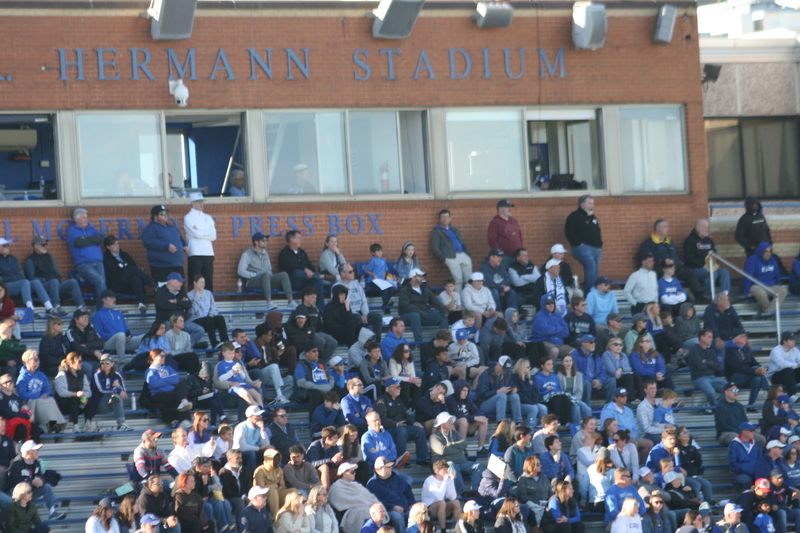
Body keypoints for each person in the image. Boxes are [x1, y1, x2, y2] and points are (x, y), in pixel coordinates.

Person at [24, 234, 84, 317]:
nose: (45, 246)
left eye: (46, 244)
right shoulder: (30, 260)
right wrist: (43, 280)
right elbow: (31, 278)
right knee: (53, 281)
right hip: (42, 287)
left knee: (72, 282)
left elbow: (56, 272)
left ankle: (80, 307)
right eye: (43, 244)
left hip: (55, 284)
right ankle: (56, 307)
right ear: (35, 246)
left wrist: (57, 277)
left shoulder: (50, 256)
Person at [6, 440, 66, 520]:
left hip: (30, 491)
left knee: (46, 486)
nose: (38, 452)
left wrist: (41, 481)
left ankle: (52, 511)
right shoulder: (17, 464)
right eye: (36, 450)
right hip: (15, 493)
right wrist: (31, 482)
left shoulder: (36, 463)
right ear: (28, 452)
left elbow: (42, 476)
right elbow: (15, 482)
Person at [0, 238, 58, 318]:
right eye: (5, 246)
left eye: (8, 245)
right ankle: (30, 309)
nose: (7, 247)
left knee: (36, 282)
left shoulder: (12, 258)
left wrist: (22, 280)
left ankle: (49, 308)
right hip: (6, 286)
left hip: (19, 284)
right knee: (25, 282)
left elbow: (21, 272)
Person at [238, 232, 296, 311]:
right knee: (265, 275)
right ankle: (269, 302)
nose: (266, 242)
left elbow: (269, 269)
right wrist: (254, 274)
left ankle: (290, 301)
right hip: (253, 281)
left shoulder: (266, 254)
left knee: (284, 274)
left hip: (266, 279)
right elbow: (240, 271)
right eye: (263, 240)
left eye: (266, 240)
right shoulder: (247, 254)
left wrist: (269, 276)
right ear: (256, 242)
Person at [430, 412, 482, 496]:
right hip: (447, 465)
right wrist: (458, 449)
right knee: (450, 464)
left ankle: (476, 490)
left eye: (451, 420)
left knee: (478, 466)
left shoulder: (454, 433)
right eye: (448, 421)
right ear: (441, 424)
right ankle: (463, 492)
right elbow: (441, 450)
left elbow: (464, 444)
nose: (451, 422)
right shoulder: (434, 436)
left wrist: (451, 445)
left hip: (462, 463)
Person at [65, 208, 107, 307]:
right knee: (99, 280)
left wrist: (86, 239)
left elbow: (100, 238)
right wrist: (92, 240)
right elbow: (78, 242)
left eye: (86, 218)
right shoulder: (71, 230)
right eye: (83, 218)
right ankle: (103, 309)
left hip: (99, 262)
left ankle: (101, 309)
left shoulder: (91, 229)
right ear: (76, 219)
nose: (86, 220)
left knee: (102, 283)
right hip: (84, 264)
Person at [103, 235, 153, 314]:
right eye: (115, 244)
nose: (118, 246)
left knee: (136, 277)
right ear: (108, 247)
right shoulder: (106, 259)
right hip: (117, 285)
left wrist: (125, 270)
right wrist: (126, 270)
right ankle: (152, 283)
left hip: (129, 284)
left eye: (118, 244)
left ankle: (141, 303)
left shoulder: (125, 255)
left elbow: (134, 268)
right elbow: (113, 274)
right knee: (131, 269)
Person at [333, 263, 383, 343]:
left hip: (361, 313)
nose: (353, 273)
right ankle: (361, 343)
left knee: (377, 317)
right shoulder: (337, 287)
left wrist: (365, 314)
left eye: (353, 271)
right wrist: (359, 315)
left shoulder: (356, 284)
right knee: (357, 318)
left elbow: (364, 301)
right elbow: (340, 305)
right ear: (342, 274)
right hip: (347, 314)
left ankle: (376, 343)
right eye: (350, 272)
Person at [683, 219, 732, 300]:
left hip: (710, 267)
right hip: (696, 269)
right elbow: (689, 258)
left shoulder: (709, 240)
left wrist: (716, 263)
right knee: (713, 274)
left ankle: (725, 295)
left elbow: (714, 254)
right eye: (704, 228)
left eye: (707, 227)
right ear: (697, 228)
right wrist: (702, 265)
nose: (707, 230)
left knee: (724, 272)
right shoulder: (690, 241)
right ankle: (706, 295)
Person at [601, 388, 653, 462]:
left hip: (631, 437)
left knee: (649, 443)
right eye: (622, 396)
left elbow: (634, 427)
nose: (625, 398)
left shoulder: (628, 410)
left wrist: (632, 436)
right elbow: (606, 428)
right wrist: (623, 436)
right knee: (633, 443)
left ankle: (638, 464)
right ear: (615, 398)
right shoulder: (607, 411)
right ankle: (629, 466)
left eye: (626, 396)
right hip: (617, 438)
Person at [398, 268, 449, 343]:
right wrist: (421, 313)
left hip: (424, 313)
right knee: (415, 316)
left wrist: (443, 310)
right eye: (420, 276)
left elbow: (433, 299)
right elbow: (406, 306)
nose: (422, 278)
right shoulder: (404, 289)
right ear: (412, 277)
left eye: (422, 276)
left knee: (442, 316)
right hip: (407, 315)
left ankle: (443, 341)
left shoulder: (424, 287)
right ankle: (419, 343)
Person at [564, 195, 603, 293]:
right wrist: (578, 243)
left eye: (593, 204)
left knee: (595, 270)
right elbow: (569, 232)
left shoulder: (593, 218)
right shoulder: (574, 216)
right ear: (582, 205)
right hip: (582, 248)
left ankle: (593, 293)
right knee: (590, 267)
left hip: (596, 249)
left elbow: (597, 231)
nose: (592, 206)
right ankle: (590, 293)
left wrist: (600, 246)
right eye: (589, 203)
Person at [154, 272, 204, 349]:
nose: (181, 284)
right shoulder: (161, 292)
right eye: (179, 281)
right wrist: (181, 304)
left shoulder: (181, 292)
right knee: (167, 329)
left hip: (182, 321)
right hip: (167, 321)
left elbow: (188, 305)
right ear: (171, 281)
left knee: (199, 330)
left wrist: (176, 301)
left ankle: (185, 347)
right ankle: (173, 350)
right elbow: (164, 306)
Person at [328, 462, 382, 533]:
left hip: (363, 506)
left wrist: (371, 504)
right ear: (344, 473)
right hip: (349, 512)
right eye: (351, 471)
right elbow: (342, 502)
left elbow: (368, 496)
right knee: (367, 512)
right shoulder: (336, 486)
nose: (354, 473)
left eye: (354, 471)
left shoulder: (356, 485)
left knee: (379, 510)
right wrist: (363, 502)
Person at [367, 457, 415, 533]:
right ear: (380, 468)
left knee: (419, 512)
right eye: (388, 467)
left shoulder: (397, 478)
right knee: (397, 517)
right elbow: (376, 502)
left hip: (406, 508)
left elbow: (408, 492)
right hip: (388, 511)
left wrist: (412, 504)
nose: (391, 468)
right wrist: (392, 507)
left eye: (391, 466)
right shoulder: (372, 484)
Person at [279, 231, 325, 310]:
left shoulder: (302, 253)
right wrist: (305, 269)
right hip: (291, 283)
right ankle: (319, 277)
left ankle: (321, 309)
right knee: (298, 273)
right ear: (291, 239)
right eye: (299, 238)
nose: (301, 240)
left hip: (305, 283)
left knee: (318, 282)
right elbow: (291, 267)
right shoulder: (284, 253)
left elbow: (311, 268)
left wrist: (308, 271)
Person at [146, 349, 193, 427]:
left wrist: (162, 380)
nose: (164, 357)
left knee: (182, 384)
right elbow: (155, 384)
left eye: (165, 356)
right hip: (158, 394)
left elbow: (176, 379)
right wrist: (169, 382)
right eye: (162, 356)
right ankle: (184, 420)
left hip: (169, 392)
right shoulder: (150, 371)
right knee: (178, 395)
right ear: (154, 357)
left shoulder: (168, 368)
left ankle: (183, 402)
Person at [142, 205, 188, 283]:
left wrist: (184, 245)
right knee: (163, 290)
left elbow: (180, 238)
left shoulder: (172, 227)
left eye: (166, 213)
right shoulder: (151, 228)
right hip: (161, 266)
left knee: (179, 290)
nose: (166, 215)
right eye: (162, 214)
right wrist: (166, 246)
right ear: (155, 216)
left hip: (177, 265)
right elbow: (149, 241)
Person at [93, 290, 144, 359]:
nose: (114, 299)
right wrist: (118, 336)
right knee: (120, 335)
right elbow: (99, 334)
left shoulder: (118, 313)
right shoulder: (98, 315)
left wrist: (128, 336)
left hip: (124, 341)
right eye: (112, 298)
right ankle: (121, 361)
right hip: (108, 343)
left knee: (146, 337)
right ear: (104, 300)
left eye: (114, 297)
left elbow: (126, 330)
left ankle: (143, 361)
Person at [725, 329, 769, 408]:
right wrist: (755, 370)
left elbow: (753, 362)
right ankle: (768, 389)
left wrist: (761, 369)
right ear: (736, 339)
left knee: (757, 379)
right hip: (734, 377)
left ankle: (750, 405)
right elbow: (738, 368)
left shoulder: (746, 349)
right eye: (743, 336)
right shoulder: (730, 351)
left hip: (747, 375)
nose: (746, 338)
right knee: (756, 371)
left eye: (746, 336)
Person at [431, 209, 473, 291]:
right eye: (442, 217)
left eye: (446, 217)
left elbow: (461, 241)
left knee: (469, 279)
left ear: (450, 218)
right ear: (439, 219)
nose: (444, 219)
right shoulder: (437, 232)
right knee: (458, 280)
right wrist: (444, 259)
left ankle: (468, 299)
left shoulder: (455, 230)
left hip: (463, 254)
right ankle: (458, 301)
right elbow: (435, 247)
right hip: (450, 257)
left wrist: (467, 253)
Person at [54, 351, 95, 433]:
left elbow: (88, 391)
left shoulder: (82, 375)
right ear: (71, 363)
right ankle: (75, 425)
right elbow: (61, 392)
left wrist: (84, 396)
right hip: (64, 404)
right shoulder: (61, 375)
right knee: (74, 399)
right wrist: (76, 394)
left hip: (79, 403)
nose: (81, 364)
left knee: (89, 400)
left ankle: (88, 423)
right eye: (79, 361)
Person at [183, 192, 216, 291]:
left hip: (208, 253)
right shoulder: (188, 217)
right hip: (195, 253)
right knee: (195, 280)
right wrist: (205, 233)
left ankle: (209, 302)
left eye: (202, 201)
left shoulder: (208, 217)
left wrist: (199, 231)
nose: (201, 204)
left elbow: (213, 236)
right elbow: (195, 234)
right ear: (192, 203)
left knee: (208, 280)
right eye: (198, 202)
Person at [744, 242, 788, 315]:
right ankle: (769, 314)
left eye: (769, 251)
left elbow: (777, 274)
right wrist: (746, 291)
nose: (768, 253)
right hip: (757, 285)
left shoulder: (772, 260)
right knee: (761, 294)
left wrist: (778, 284)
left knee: (783, 291)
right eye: (766, 251)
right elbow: (748, 276)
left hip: (771, 285)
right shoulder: (752, 260)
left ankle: (767, 312)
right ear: (761, 251)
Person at [688, 329, 727, 411]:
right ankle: (716, 409)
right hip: (699, 378)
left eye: (712, 337)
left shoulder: (711, 351)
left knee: (732, 389)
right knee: (710, 392)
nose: (711, 339)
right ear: (702, 337)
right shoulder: (694, 349)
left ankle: (713, 406)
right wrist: (711, 363)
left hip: (712, 377)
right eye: (709, 337)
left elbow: (718, 366)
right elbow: (699, 366)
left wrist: (706, 362)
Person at [477, 356, 522, 423]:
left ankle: (518, 423)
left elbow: (511, 386)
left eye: (506, 369)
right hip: (485, 404)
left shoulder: (507, 374)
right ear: (498, 364)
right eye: (503, 368)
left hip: (502, 404)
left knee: (515, 396)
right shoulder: (486, 375)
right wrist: (497, 392)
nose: (504, 371)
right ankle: (501, 423)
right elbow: (481, 395)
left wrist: (513, 390)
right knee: (501, 395)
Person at [187, 275, 228, 348]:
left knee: (220, 318)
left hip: (209, 319)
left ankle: (226, 342)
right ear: (195, 283)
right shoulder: (189, 295)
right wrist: (196, 298)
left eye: (204, 282)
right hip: (196, 321)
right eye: (201, 282)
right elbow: (191, 311)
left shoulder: (208, 293)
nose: (204, 284)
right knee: (209, 320)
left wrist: (211, 314)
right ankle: (214, 343)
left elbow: (214, 307)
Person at [572, 336, 615, 404]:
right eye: (591, 342)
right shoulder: (575, 354)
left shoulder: (596, 355)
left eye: (594, 342)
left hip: (596, 380)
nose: (594, 344)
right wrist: (592, 381)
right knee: (586, 383)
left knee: (612, 381)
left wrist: (598, 380)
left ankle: (609, 405)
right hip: (585, 381)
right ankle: (586, 407)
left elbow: (602, 370)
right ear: (583, 343)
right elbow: (576, 371)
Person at [529, 293, 571, 362]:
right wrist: (559, 328)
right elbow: (547, 331)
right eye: (548, 304)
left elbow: (566, 332)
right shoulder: (539, 316)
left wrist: (553, 331)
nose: (551, 305)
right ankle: (549, 370)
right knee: (554, 351)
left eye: (552, 303)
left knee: (574, 352)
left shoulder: (557, 315)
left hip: (558, 343)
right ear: (543, 304)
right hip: (544, 342)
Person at [232, 405, 271, 470]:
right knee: (251, 453)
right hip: (239, 453)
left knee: (269, 452)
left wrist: (262, 429)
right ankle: (252, 476)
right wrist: (259, 448)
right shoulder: (241, 427)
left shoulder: (259, 427)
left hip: (253, 451)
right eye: (258, 415)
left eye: (261, 415)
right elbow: (242, 447)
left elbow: (266, 445)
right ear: (250, 417)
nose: (261, 417)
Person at [728, 421, 762, 488]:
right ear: (743, 431)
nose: (753, 432)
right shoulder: (734, 444)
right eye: (751, 430)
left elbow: (759, 460)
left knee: (763, 479)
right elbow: (733, 463)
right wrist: (747, 469)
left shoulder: (756, 445)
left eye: (754, 430)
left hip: (754, 472)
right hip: (739, 474)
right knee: (747, 480)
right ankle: (747, 496)